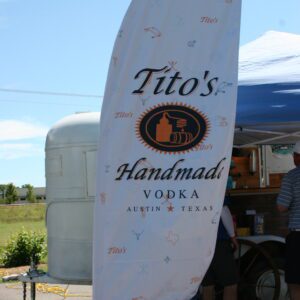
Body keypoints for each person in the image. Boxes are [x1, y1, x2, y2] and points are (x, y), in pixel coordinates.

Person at [201, 182, 239, 300]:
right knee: (230, 284)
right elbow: (224, 213)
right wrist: (232, 236)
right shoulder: (215, 185)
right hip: (218, 241)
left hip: (199, 243)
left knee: (207, 285)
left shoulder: (191, 187)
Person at [277, 141, 300, 300]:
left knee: (295, 282)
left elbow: (282, 207)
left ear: (297, 157)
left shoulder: (292, 176)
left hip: (298, 236)